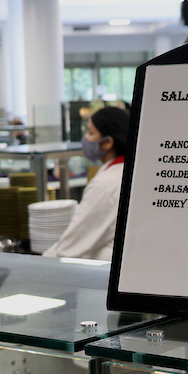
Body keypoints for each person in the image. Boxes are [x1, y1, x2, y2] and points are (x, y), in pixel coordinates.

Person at [43, 107, 129, 261]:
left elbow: (70, 246)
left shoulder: (106, 184)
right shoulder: (125, 171)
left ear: (107, 142)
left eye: (90, 133)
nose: (86, 139)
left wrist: (38, 265)